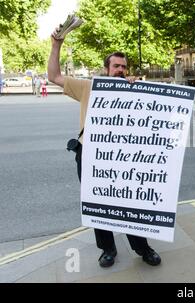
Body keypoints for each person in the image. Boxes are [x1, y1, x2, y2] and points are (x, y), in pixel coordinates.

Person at [47, 29, 162, 268]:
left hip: (123, 158)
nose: (120, 70)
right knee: (98, 204)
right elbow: (54, 76)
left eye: (124, 67)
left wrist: (135, 90)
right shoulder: (88, 87)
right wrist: (57, 45)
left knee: (129, 203)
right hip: (89, 155)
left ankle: (143, 248)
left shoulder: (133, 90)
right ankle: (107, 249)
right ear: (106, 69)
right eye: (116, 66)